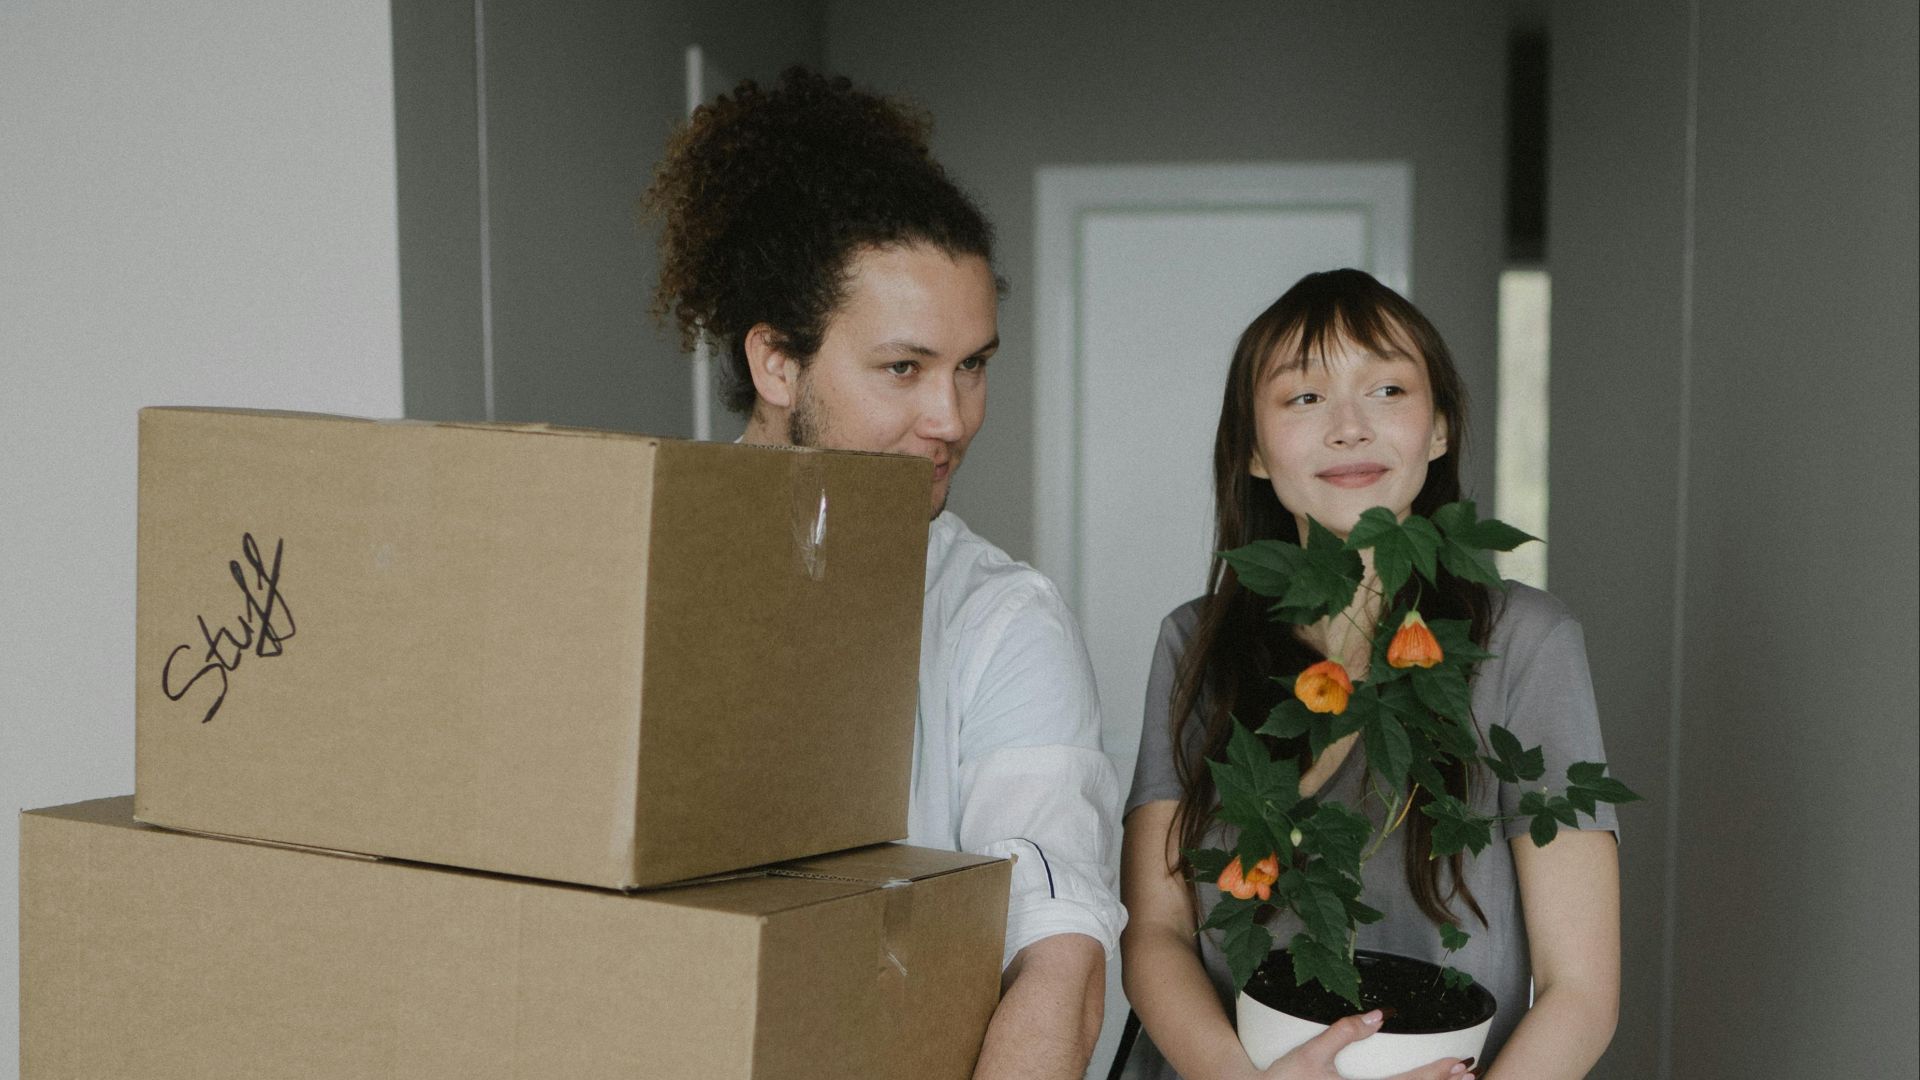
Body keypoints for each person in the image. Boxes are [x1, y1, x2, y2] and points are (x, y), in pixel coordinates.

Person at [645, 68, 1125, 1078]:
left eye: (974, 365)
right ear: (778, 362)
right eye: (904, 369)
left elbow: (1060, 956)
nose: (953, 419)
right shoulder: (631, 576)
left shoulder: (1001, 621)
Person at [1120, 270, 1620, 1079]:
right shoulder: (1196, 643)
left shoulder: (1527, 643)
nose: (1350, 427)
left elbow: (1582, 989)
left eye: (1387, 387)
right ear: (1251, 445)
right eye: (1304, 398)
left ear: (1441, 430)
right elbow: (1157, 933)